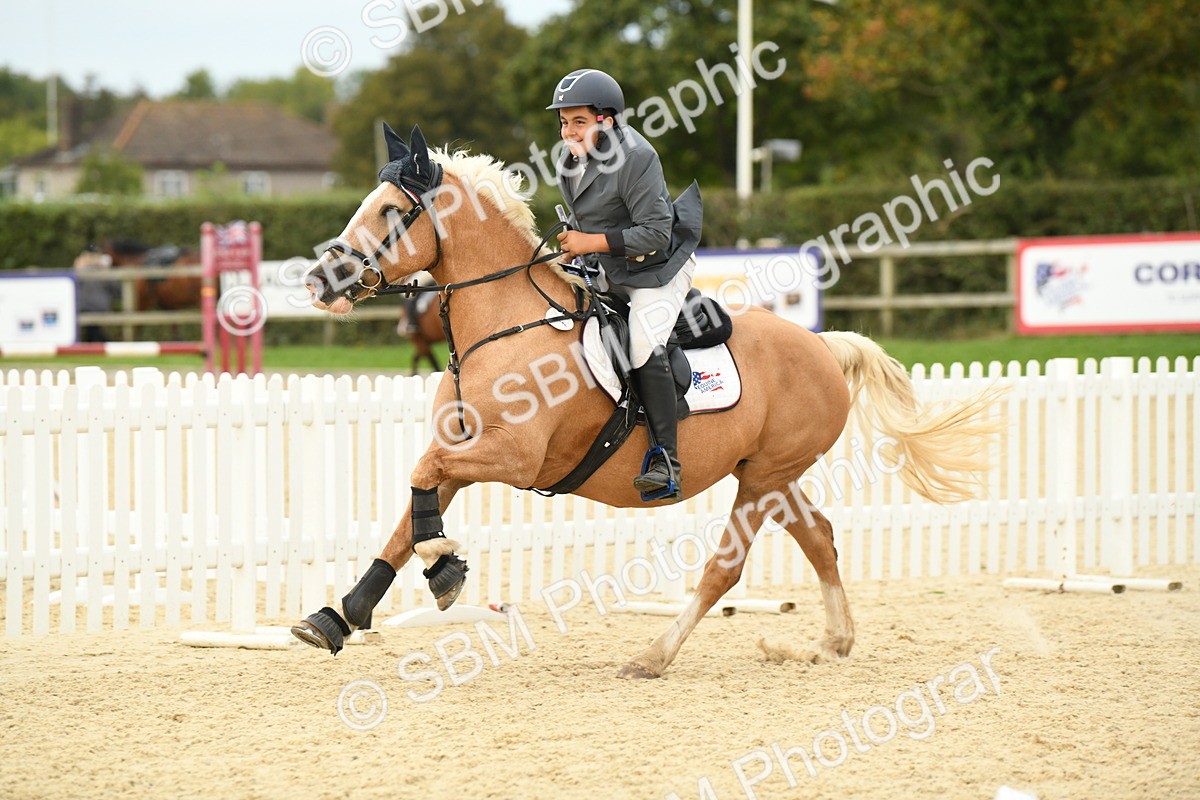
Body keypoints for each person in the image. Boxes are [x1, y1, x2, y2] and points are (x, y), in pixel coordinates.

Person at [548, 68, 703, 502]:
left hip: (658, 268)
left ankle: (666, 461)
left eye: (579, 121)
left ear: (608, 119)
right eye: (564, 122)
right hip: (611, 266)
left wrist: (590, 242)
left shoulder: (637, 156)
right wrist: (572, 250)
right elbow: (584, 222)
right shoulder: (569, 161)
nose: (568, 131)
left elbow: (655, 232)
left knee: (640, 345)